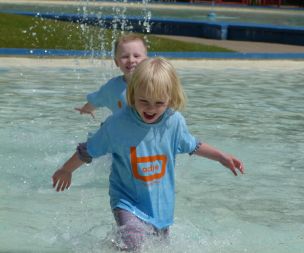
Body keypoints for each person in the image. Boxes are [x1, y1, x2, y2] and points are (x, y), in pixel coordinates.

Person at [52, 57, 244, 252]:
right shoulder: (117, 125)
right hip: (127, 201)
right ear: (133, 94)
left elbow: (193, 145)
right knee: (135, 245)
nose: (151, 108)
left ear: (171, 98)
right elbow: (89, 150)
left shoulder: (173, 122)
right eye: (144, 101)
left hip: (161, 207)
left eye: (159, 103)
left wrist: (221, 157)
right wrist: (66, 170)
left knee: (152, 246)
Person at [75, 33, 148, 118]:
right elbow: (97, 99)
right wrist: (86, 109)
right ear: (116, 62)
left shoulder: (155, 83)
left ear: (146, 60)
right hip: (121, 130)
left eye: (136, 56)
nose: (131, 60)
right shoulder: (113, 87)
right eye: (125, 57)